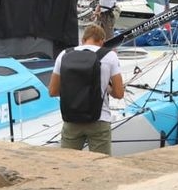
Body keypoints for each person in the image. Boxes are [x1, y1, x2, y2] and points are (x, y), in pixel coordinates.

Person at [49, 23, 125, 155]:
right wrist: (107, 87)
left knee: (69, 163)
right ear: (102, 41)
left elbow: (53, 91)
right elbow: (119, 94)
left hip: (72, 119)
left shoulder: (64, 55)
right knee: (100, 165)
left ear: (83, 40)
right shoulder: (110, 56)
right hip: (99, 120)